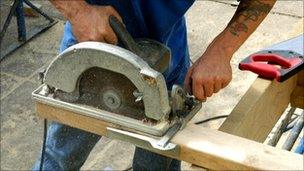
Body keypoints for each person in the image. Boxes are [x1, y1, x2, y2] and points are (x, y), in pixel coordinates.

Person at [33, 0, 276, 170]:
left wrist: (220, 52)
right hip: (91, 50)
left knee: (159, 158)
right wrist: (77, 11)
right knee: (60, 156)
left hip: (165, 48)